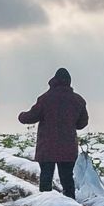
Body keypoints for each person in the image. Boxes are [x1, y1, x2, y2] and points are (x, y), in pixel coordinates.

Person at [17, 68, 88, 199]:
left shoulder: (45, 99)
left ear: (54, 81)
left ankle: (46, 204)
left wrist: (21, 116)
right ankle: (70, 203)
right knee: (67, 179)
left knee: (46, 178)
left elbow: (31, 117)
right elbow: (82, 123)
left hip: (47, 147)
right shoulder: (78, 100)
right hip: (68, 147)